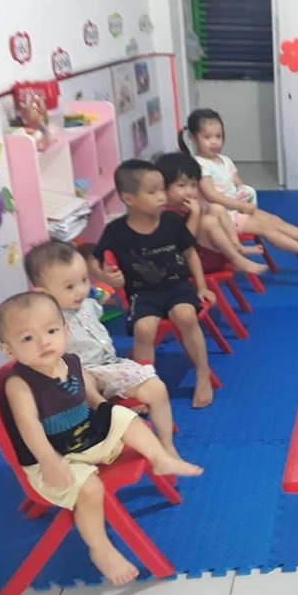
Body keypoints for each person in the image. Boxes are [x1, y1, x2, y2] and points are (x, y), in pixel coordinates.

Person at [0, 292, 201, 586]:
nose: (43, 342)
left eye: (51, 331)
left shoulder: (70, 361)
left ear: (65, 331)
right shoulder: (19, 384)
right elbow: (29, 426)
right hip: (54, 458)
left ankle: (160, 458)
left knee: (127, 419)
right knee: (91, 489)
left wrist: (107, 412)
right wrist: (49, 460)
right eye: (27, 338)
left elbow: (88, 395)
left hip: (85, 436)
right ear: (8, 350)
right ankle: (100, 547)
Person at [23, 241, 178, 456]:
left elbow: (105, 293)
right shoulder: (47, 320)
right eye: (69, 287)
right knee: (82, 380)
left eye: (84, 280)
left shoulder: (88, 302)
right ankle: (112, 417)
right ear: (43, 293)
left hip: (111, 366)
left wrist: (111, 281)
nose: (81, 290)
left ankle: (166, 444)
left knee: (157, 388)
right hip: (79, 373)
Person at [88, 159, 217, 409]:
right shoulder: (116, 231)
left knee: (186, 316)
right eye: (152, 191)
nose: (161, 196)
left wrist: (201, 286)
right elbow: (94, 260)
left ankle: (202, 374)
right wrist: (107, 278)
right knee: (144, 329)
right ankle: (143, 386)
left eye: (162, 189)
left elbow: (190, 253)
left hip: (177, 287)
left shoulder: (171, 221)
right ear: (129, 198)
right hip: (142, 294)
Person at [178, 108, 298, 263]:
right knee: (265, 228)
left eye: (218, 136)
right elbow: (211, 195)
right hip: (223, 217)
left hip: (237, 209)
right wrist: (240, 205)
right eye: (207, 137)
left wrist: (245, 195)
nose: (214, 142)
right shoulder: (198, 164)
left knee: (274, 220)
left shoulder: (224, 160)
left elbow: (238, 183)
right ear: (193, 137)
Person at [155, 151, 269, 276]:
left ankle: (236, 246)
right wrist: (195, 214)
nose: (189, 191)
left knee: (216, 208)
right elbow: (185, 243)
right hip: (188, 261)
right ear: (164, 186)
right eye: (181, 186)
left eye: (193, 185)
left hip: (204, 252)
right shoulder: (165, 212)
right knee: (208, 222)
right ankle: (236, 259)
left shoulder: (185, 204)